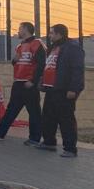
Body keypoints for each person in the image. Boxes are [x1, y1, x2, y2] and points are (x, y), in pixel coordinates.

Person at [0, 22, 46, 143]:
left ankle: (35, 138)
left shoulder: (37, 44)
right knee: (11, 109)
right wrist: (14, 60)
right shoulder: (20, 46)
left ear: (26, 30)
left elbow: (41, 64)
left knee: (34, 112)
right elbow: (18, 63)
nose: (18, 31)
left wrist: (33, 81)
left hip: (29, 84)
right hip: (18, 83)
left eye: (20, 28)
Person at [37, 24, 85, 157]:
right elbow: (48, 67)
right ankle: (49, 142)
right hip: (52, 89)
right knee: (48, 117)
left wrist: (73, 89)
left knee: (66, 120)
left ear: (59, 34)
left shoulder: (73, 48)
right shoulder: (53, 48)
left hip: (64, 90)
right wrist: (42, 83)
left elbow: (77, 70)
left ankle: (70, 149)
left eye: (52, 33)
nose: (49, 36)